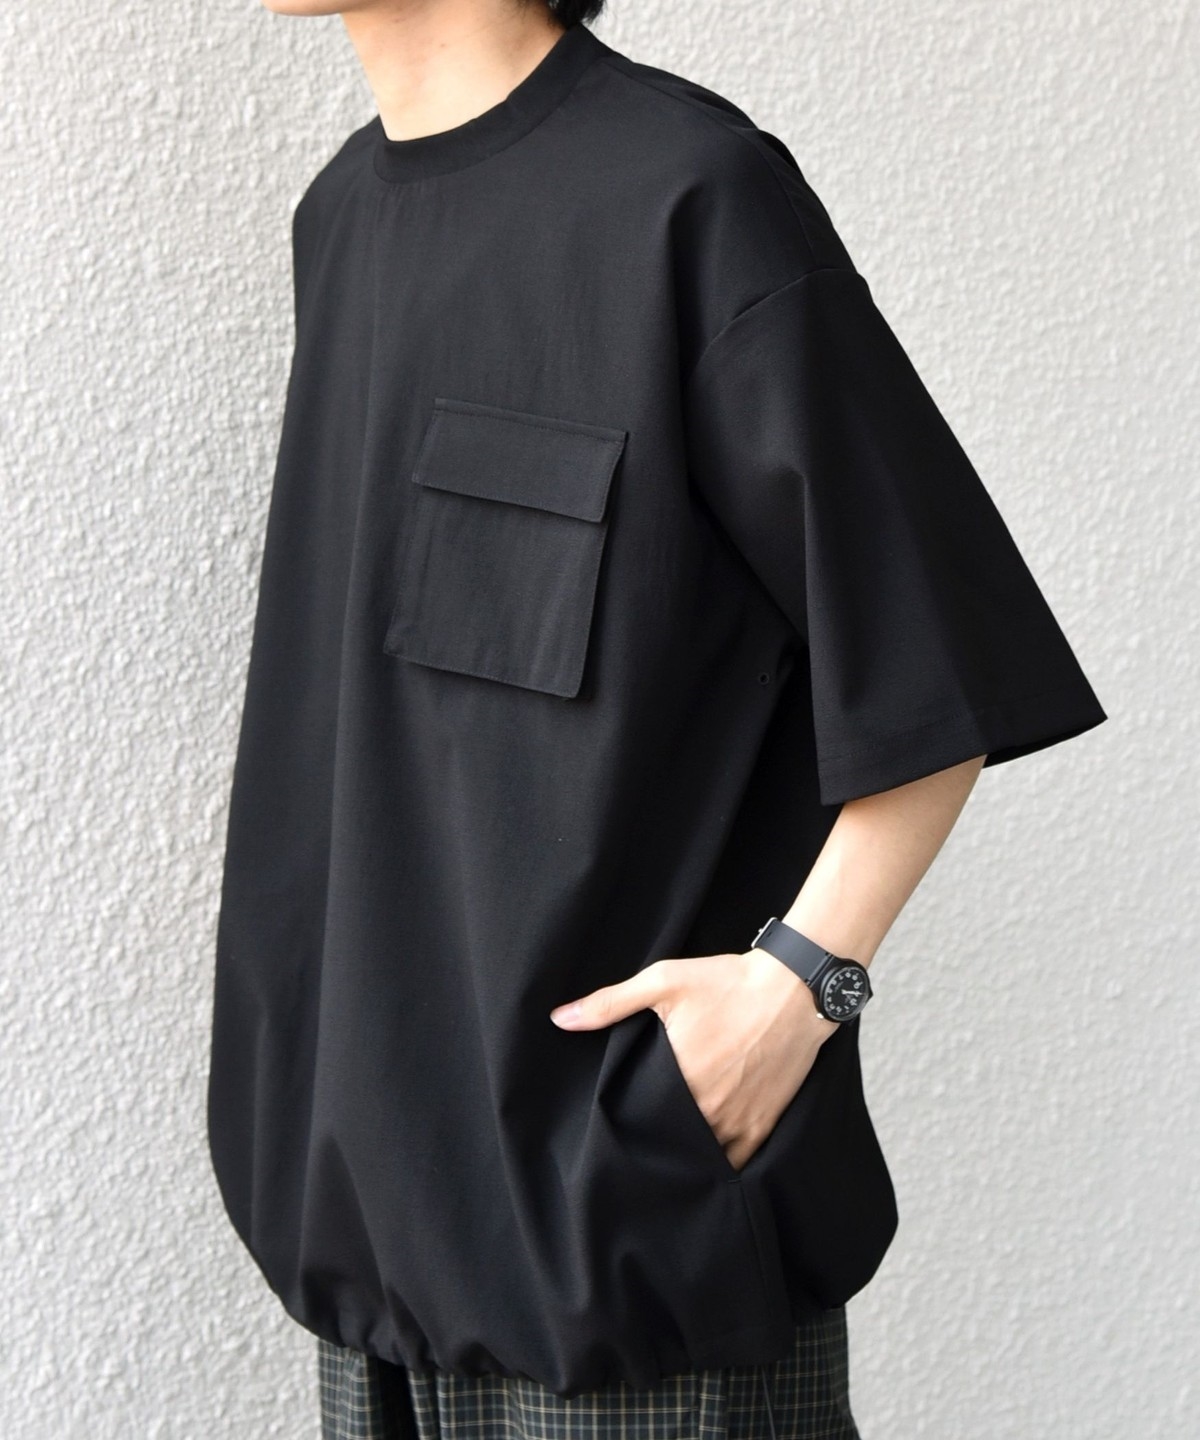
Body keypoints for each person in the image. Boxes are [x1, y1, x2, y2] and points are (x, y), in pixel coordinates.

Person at [206, 2, 1108, 1437]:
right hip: (375, 1270)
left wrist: (803, 988)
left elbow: (935, 670)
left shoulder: (688, 194)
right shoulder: (342, 218)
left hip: (630, 1275)